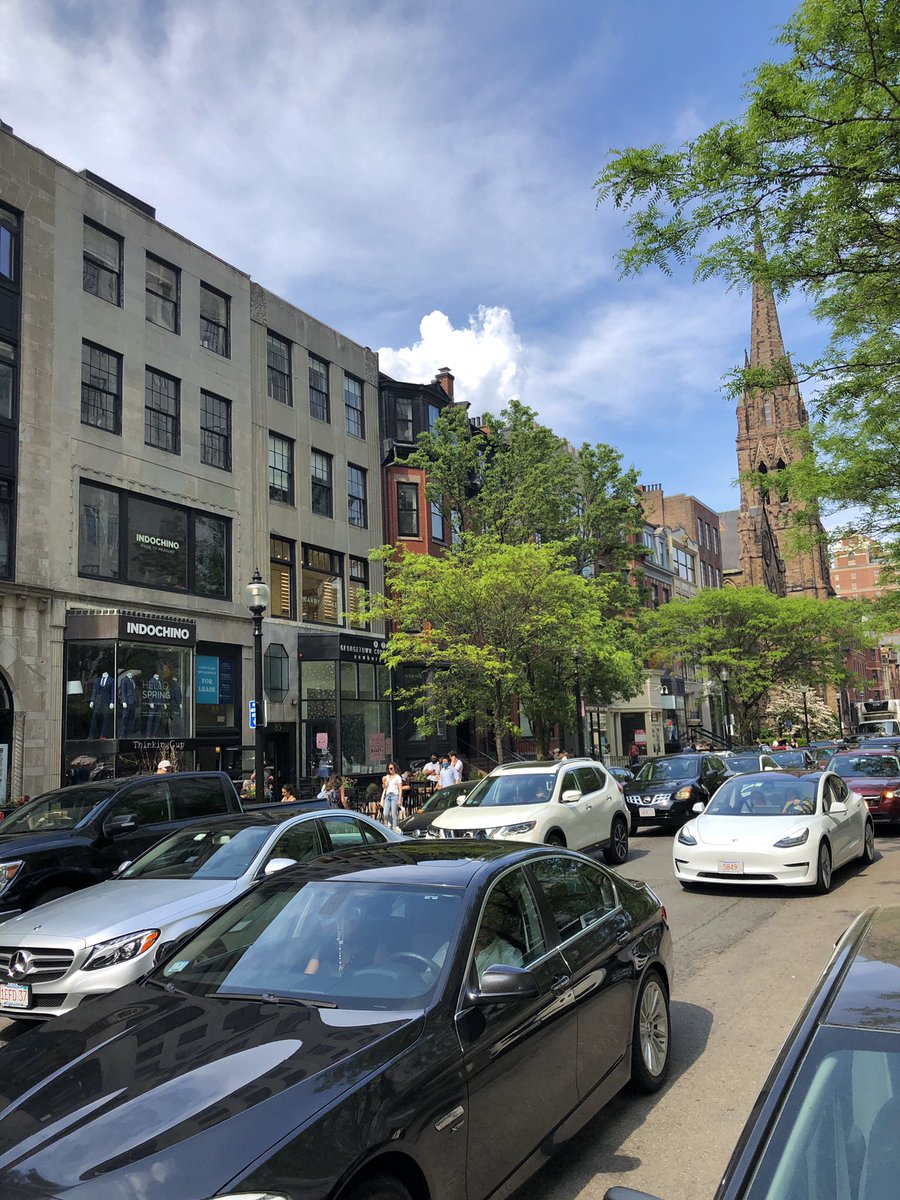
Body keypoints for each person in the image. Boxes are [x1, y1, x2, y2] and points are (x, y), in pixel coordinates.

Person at [381, 763, 404, 830]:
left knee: (394, 813)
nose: (390, 770)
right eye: (389, 768)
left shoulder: (398, 777)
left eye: (391, 768)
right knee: (385, 813)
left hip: (394, 795)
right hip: (388, 795)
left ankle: (395, 827)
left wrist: (399, 799)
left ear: (394, 769)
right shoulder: (387, 777)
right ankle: (391, 822)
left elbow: (400, 788)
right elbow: (384, 787)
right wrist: (384, 782)